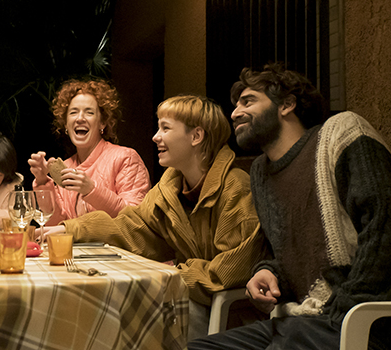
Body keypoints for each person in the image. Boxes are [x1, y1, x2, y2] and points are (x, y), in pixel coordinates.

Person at [189, 64, 391, 350]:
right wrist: (268, 273)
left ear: (286, 104)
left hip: (365, 321)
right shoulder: (260, 172)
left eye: (248, 101)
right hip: (303, 320)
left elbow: (384, 226)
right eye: (235, 105)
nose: (234, 113)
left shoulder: (342, 133)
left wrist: (345, 309)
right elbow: (282, 253)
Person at [42, 95, 265, 339]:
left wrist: (172, 273)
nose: (155, 137)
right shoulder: (170, 186)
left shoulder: (237, 189)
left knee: (127, 317)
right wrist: (71, 230)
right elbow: (133, 227)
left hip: (231, 315)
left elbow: (228, 273)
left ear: (196, 136)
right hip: (187, 297)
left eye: (165, 128)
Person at [28, 78, 151, 225]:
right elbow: (57, 226)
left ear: (102, 123)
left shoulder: (126, 158)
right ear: (65, 124)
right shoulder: (65, 166)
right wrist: (42, 181)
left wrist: (91, 190)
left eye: (89, 112)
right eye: (73, 112)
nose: (80, 118)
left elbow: (134, 220)